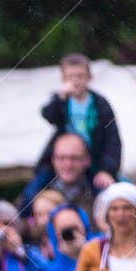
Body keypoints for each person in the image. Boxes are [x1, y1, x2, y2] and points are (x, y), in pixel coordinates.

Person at [32, 54, 120, 192]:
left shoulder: (100, 104)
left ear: (90, 77)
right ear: (63, 79)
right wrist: (61, 97)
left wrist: (107, 170)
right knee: (35, 188)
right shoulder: (61, 101)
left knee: (105, 190)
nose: (75, 81)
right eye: (70, 77)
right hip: (64, 160)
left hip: (93, 161)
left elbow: (113, 140)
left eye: (80, 76)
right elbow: (48, 115)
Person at [22, 132, 96, 214]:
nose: (68, 165)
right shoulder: (32, 196)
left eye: (74, 158)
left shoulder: (99, 196)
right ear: (53, 160)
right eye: (61, 158)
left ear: (87, 160)